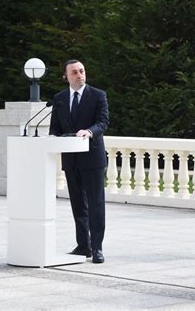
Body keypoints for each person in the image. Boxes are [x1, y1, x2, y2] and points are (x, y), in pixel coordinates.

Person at [50, 59, 109, 264]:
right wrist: (53, 138)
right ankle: (83, 245)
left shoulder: (98, 95)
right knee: (78, 205)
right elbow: (54, 128)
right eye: (74, 72)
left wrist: (89, 132)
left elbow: (103, 122)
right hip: (71, 159)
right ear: (66, 76)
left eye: (82, 71)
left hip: (92, 158)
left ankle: (97, 248)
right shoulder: (59, 98)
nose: (79, 75)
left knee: (95, 204)